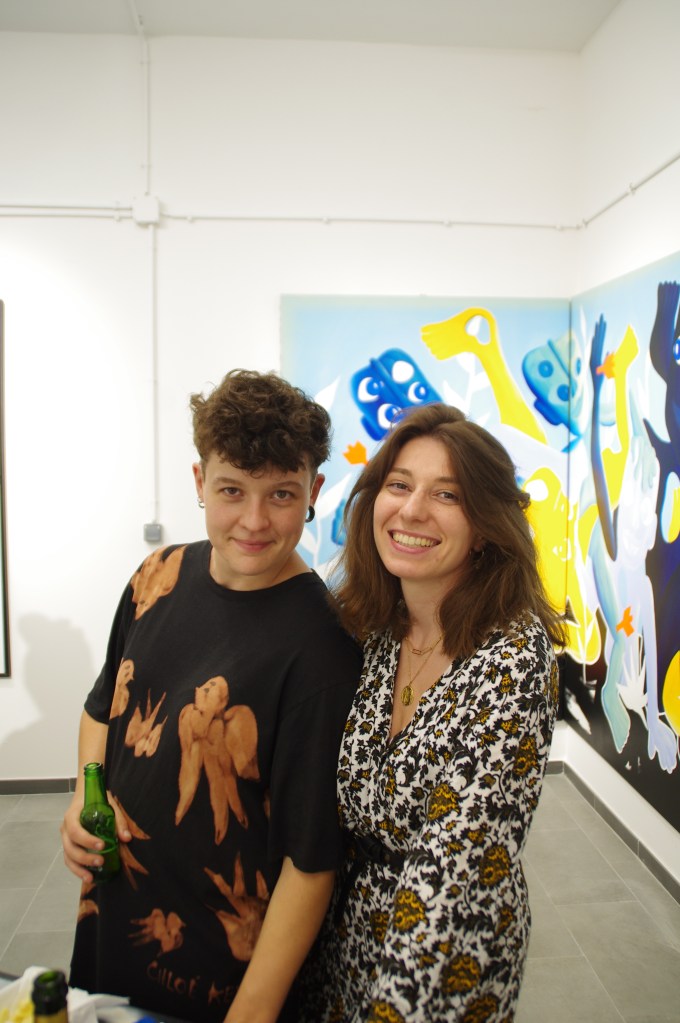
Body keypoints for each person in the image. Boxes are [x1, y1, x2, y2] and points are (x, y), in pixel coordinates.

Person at [61, 369, 362, 1023]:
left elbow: (310, 864)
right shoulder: (157, 575)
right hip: (110, 928)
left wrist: (251, 1010)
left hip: (218, 977)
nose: (254, 520)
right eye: (232, 490)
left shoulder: (323, 650)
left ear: (313, 491)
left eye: (280, 494)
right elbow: (100, 709)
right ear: (200, 482)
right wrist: (84, 798)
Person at [300, 402, 567, 1023]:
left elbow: (455, 871)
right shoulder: (375, 628)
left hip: (443, 956)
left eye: (446, 495)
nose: (413, 510)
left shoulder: (510, 658)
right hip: (346, 937)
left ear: (486, 525)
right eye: (399, 485)